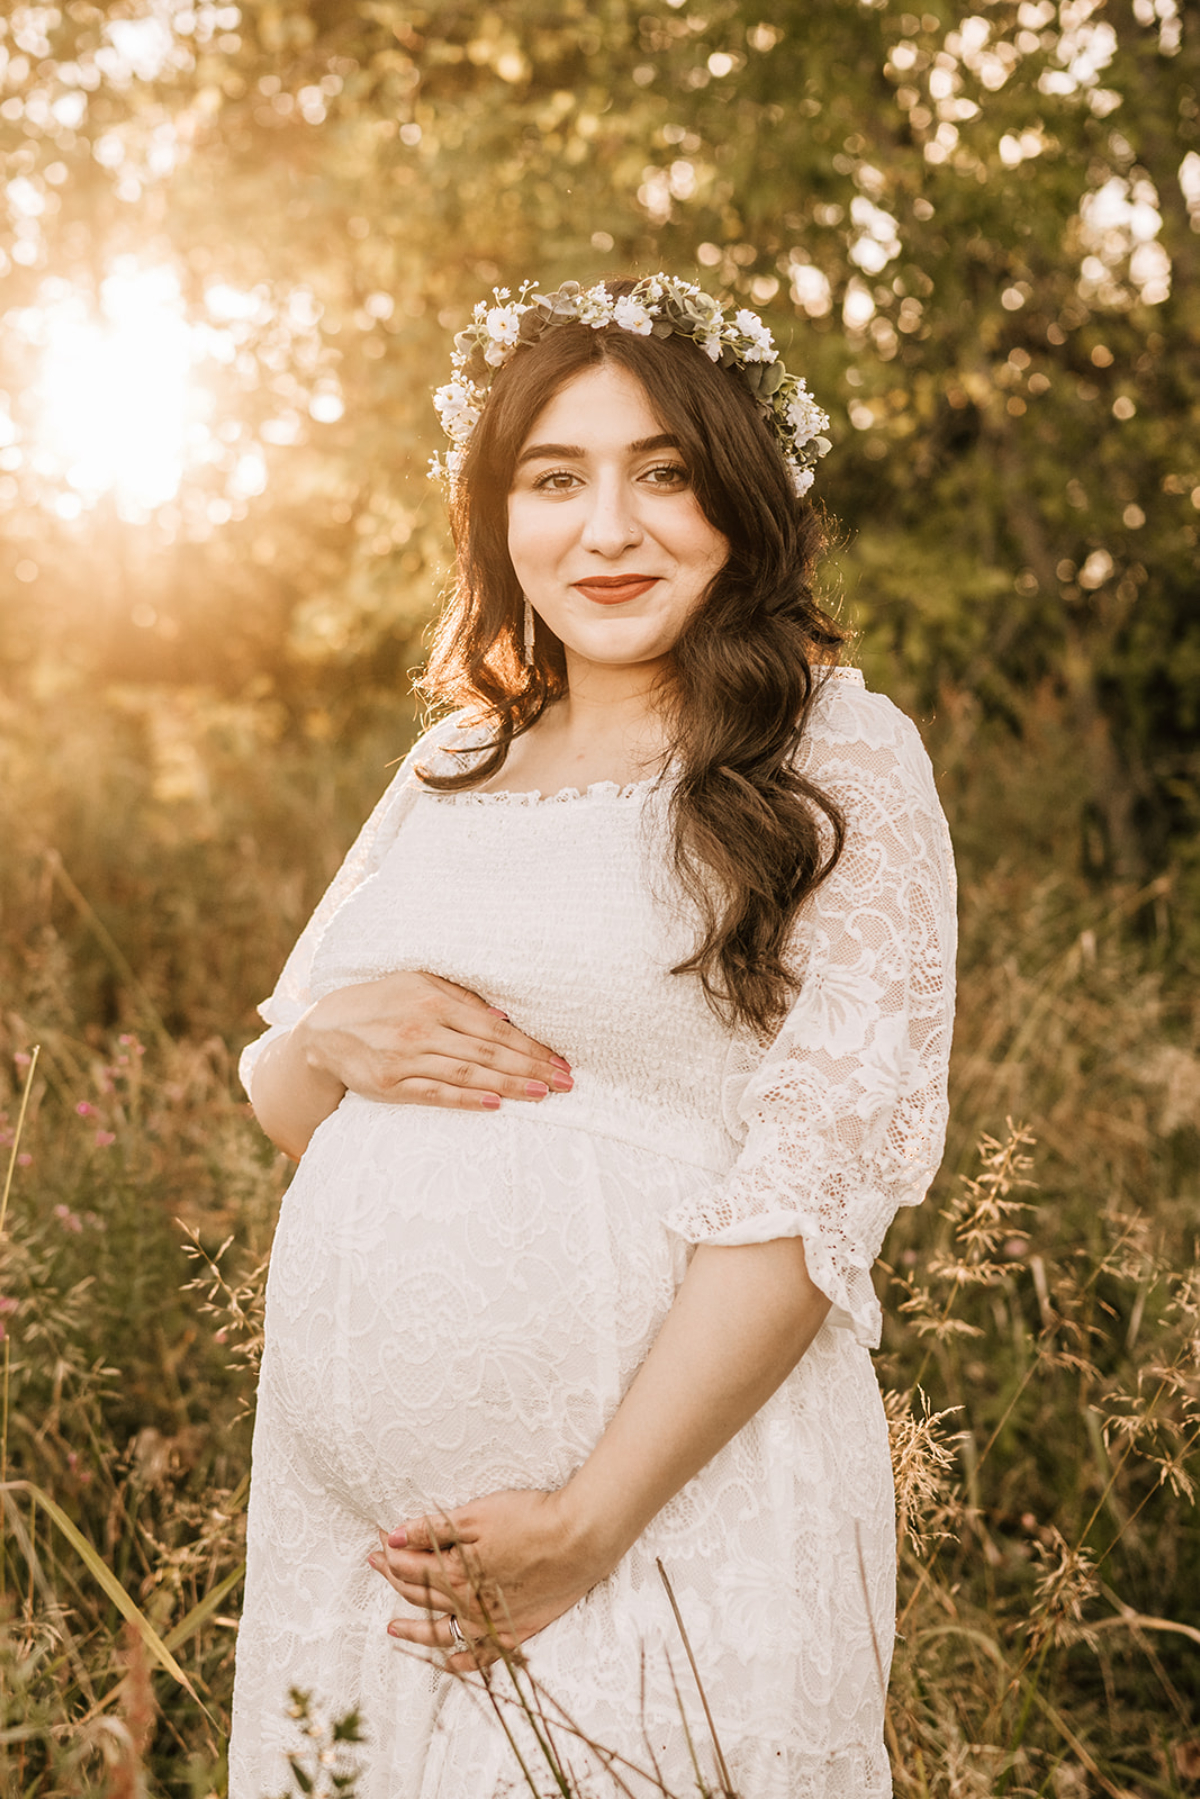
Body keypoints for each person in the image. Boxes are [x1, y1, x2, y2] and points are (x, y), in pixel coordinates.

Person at [228, 273, 957, 1799]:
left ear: (742, 504)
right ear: (499, 515)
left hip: (661, 1520)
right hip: (364, 1565)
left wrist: (589, 1524)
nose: (607, 530)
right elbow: (288, 1085)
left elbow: (819, 1190)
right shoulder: (458, 756)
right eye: (555, 480)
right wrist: (340, 1036)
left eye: (664, 475)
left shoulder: (837, 755)